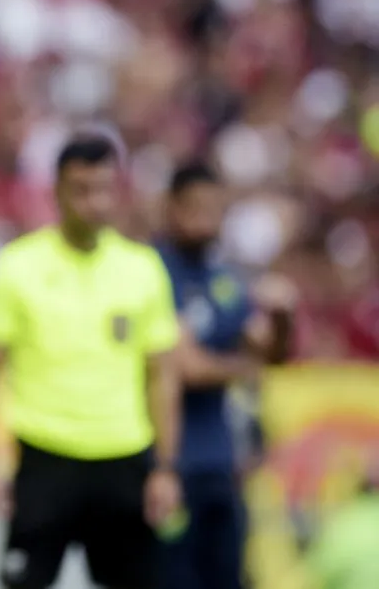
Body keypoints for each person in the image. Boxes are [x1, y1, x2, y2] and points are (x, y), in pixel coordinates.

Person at [0, 135, 184, 589]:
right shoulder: (19, 265)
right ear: (58, 192)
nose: (94, 202)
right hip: (45, 460)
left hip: (123, 460)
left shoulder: (142, 269)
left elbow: (163, 377)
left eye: (104, 189)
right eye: (81, 190)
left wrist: (165, 468)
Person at [155, 162, 296, 589]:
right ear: (171, 208)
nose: (204, 219)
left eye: (214, 208)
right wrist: (244, 367)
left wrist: (284, 318)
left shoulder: (225, 280)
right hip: (169, 465)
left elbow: (271, 354)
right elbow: (187, 368)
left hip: (221, 464)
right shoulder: (151, 272)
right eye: (194, 207)